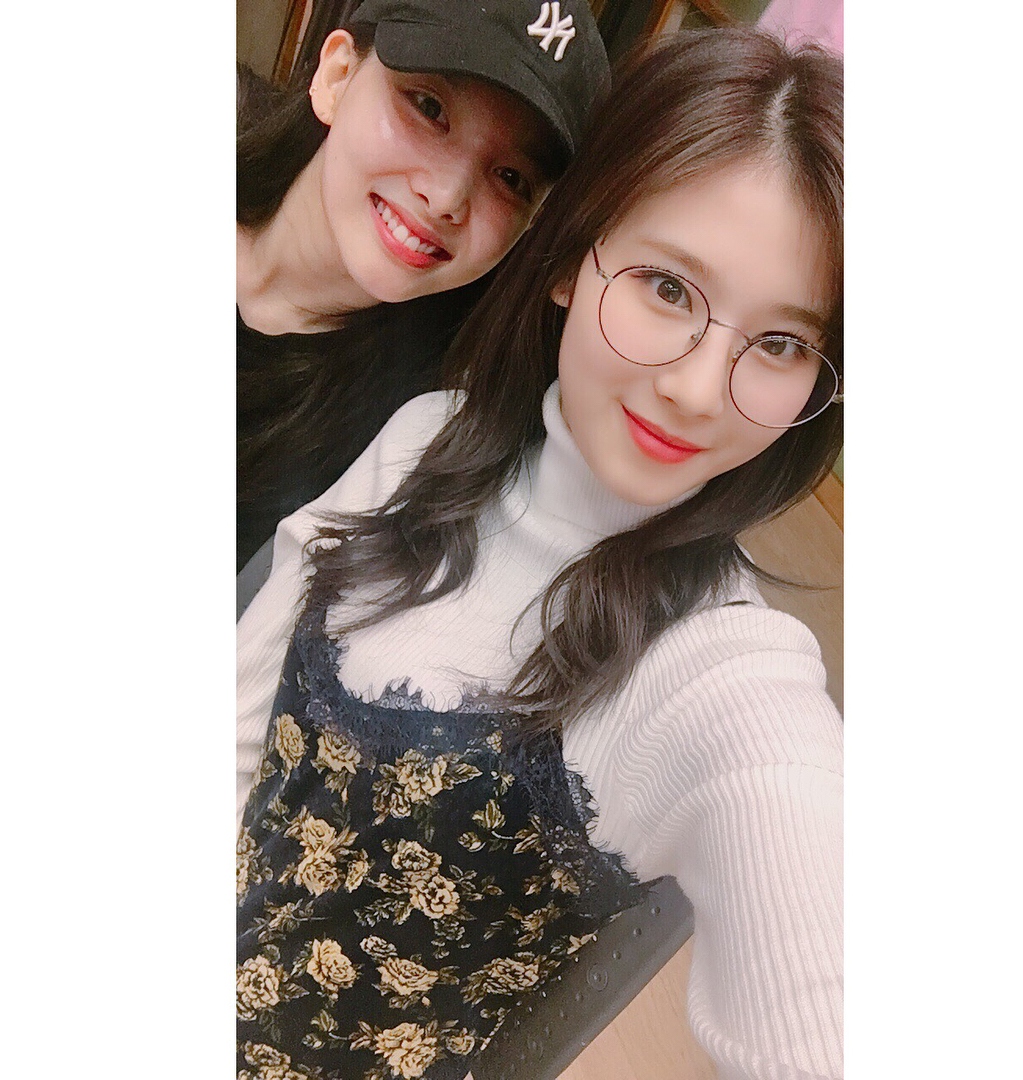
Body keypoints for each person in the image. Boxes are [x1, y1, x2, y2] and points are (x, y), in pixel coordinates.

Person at [237, 25, 843, 1080]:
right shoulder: (424, 437)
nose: (698, 391)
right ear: (568, 258)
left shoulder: (719, 674)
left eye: (781, 343)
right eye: (667, 287)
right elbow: (238, 716)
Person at [237, 0, 610, 568]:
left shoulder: (413, 444)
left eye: (511, 178)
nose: (445, 197)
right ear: (337, 75)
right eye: (429, 108)